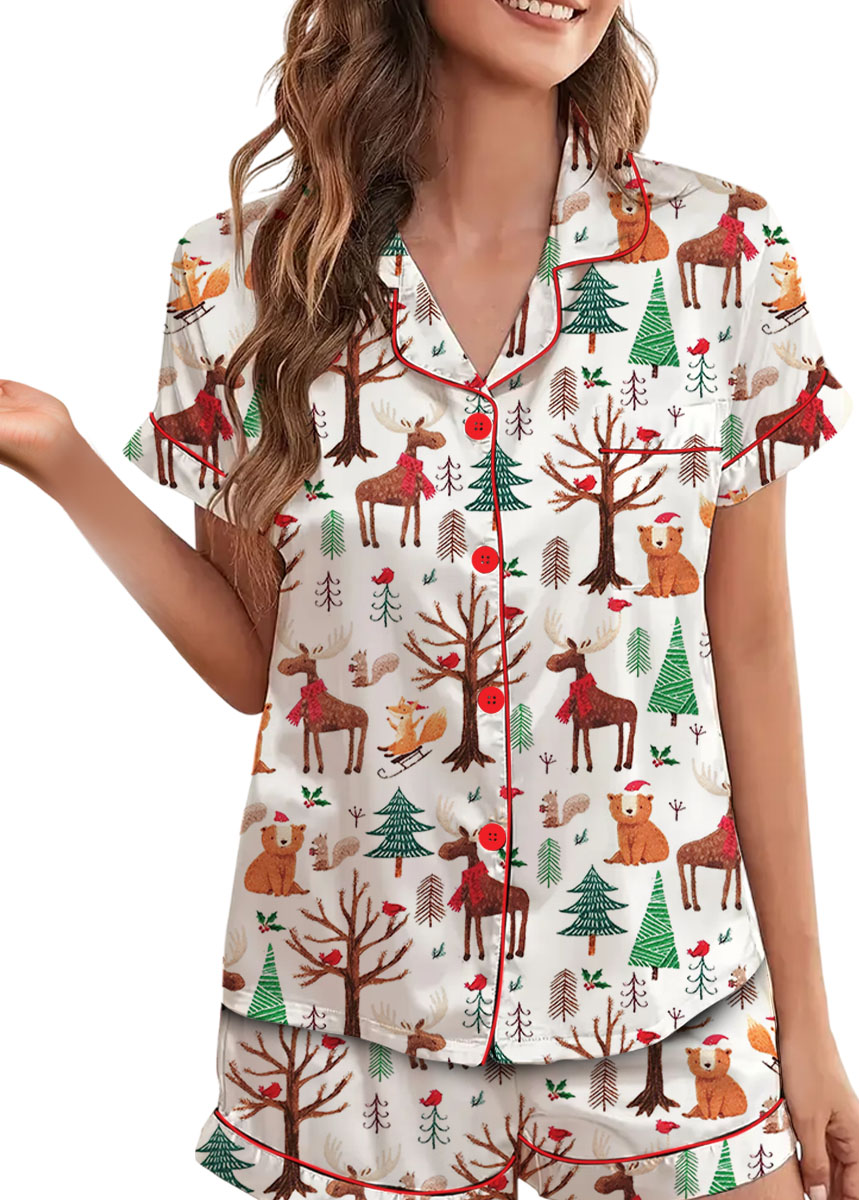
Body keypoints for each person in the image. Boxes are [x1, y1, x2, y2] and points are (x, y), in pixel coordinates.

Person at [2, 2, 857, 1198]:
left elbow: (750, 642)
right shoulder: (238, 279)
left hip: (669, 1021)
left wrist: (807, 1021)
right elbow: (258, 661)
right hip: (352, 1050)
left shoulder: (720, 254)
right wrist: (60, 459)